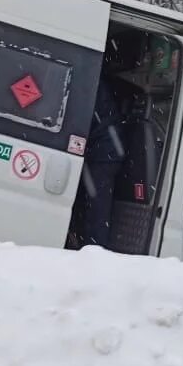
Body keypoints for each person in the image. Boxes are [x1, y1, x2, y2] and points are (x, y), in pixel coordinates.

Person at [77, 73, 126, 248]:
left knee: (97, 207)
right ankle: (89, 242)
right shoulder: (95, 81)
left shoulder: (89, 81)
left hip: (104, 153)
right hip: (105, 149)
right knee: (95, 204)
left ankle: (94, 248)